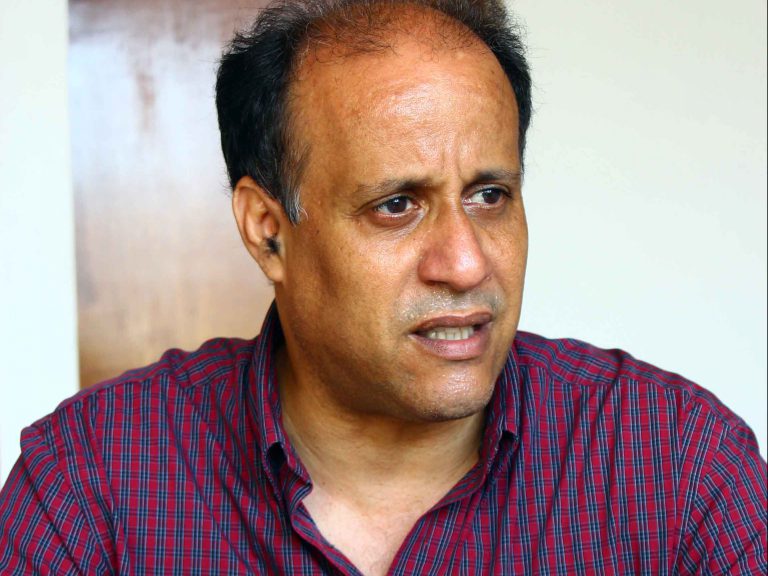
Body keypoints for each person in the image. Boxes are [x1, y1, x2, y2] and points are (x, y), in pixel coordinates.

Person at [1, 0, 765, 574]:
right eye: (396, 205)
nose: (465, 264)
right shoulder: (94, 481)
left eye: (490, 195)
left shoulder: (676, 466)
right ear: (268, 230)